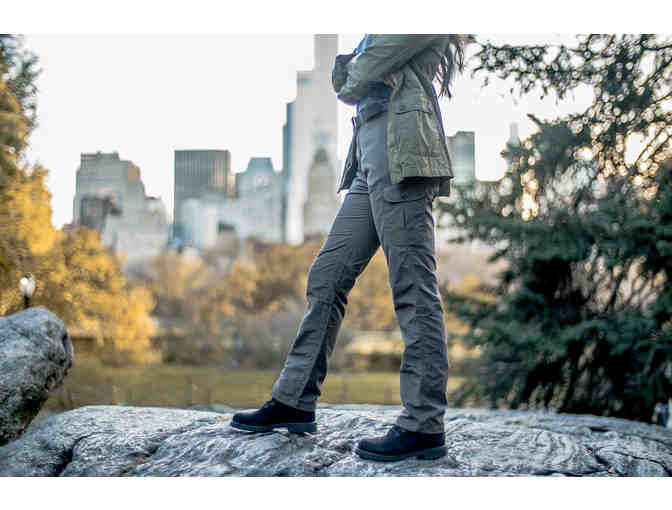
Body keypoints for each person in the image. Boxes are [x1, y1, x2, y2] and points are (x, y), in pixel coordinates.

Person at [231, 34, 467, 462]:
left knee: (413, 288)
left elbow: (361, 71)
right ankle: (294, 400)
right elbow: (346, 80)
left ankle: (423, 424)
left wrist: (363, 66)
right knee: (327, 275)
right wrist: (362, 66)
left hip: (402, 153)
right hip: (367, 157)